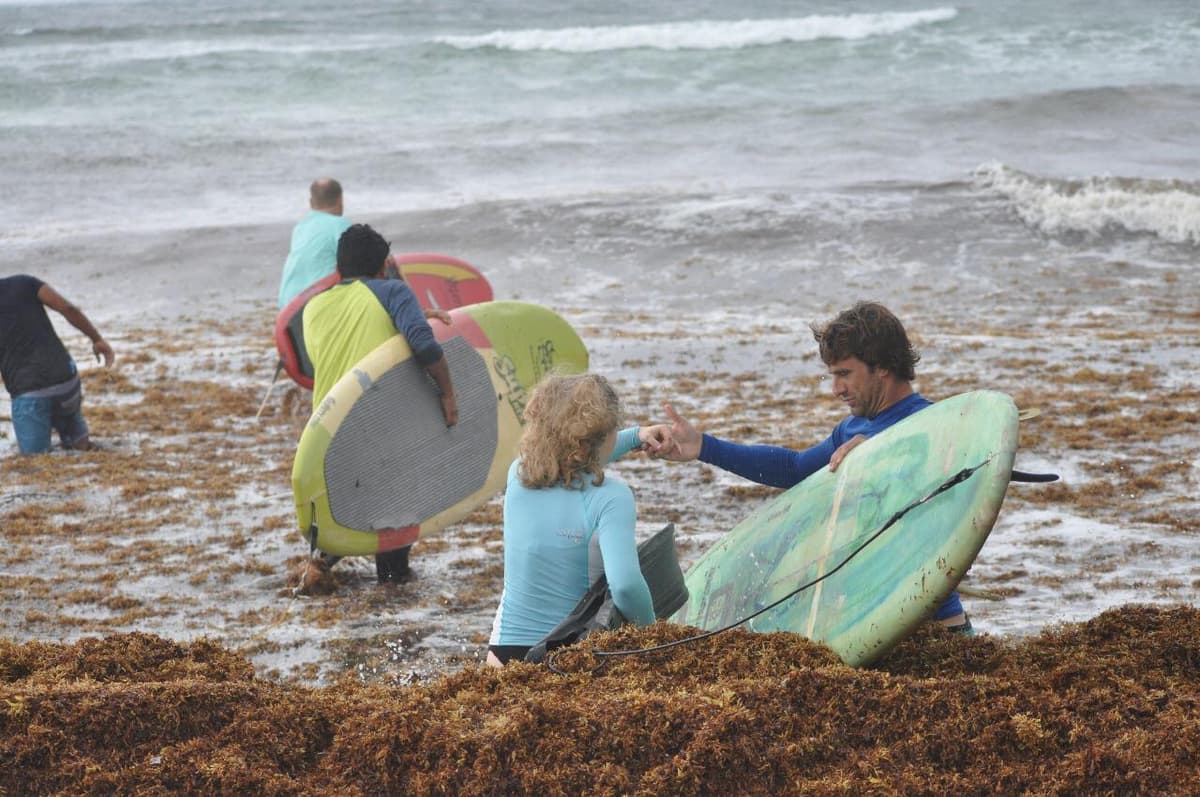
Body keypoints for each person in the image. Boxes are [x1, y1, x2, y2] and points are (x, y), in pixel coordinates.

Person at [648, 301, 973, 633]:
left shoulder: (932, 426)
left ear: (884, 366)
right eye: (832, 375)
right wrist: (704, 446)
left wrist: (883, 455)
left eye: (844, 374)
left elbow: (956, 506)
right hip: (870, 626)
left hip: (938, 630)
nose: (836, 390)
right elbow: (794, 468)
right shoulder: (849, 431)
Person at [301, 223, 458, 583]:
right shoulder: (392, 292)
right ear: (382, 267)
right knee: (392, 521)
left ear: (339, 268)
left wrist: (411, 315)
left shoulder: (313, 308)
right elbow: (424, 346)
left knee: (354, 503)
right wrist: (448, 393)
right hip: (379, 426)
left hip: (325, 429)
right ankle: (393, 592)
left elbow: (339, 350)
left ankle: (317, 566)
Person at [486, 373, 659, 666]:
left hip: (503, 655)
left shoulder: (520, 476)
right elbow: (626, 585)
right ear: (602, 436)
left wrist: (636, 437)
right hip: (567, 660)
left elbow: (573, 457)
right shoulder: (611, 498)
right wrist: (655, 637)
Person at [0, 275, 115, 454]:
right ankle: (80, 441)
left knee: (35, 465)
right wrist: (96, 339)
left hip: (30, 394)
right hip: (67, 382)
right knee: (82, 449)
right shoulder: (24, 282)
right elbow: (68, 309)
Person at [277, 178, 352, 309]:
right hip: (314, 305)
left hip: (287, 307)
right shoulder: (340, 225)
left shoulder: (300, 228)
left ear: (311, 203)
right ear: (341, 201)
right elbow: (359, 266)